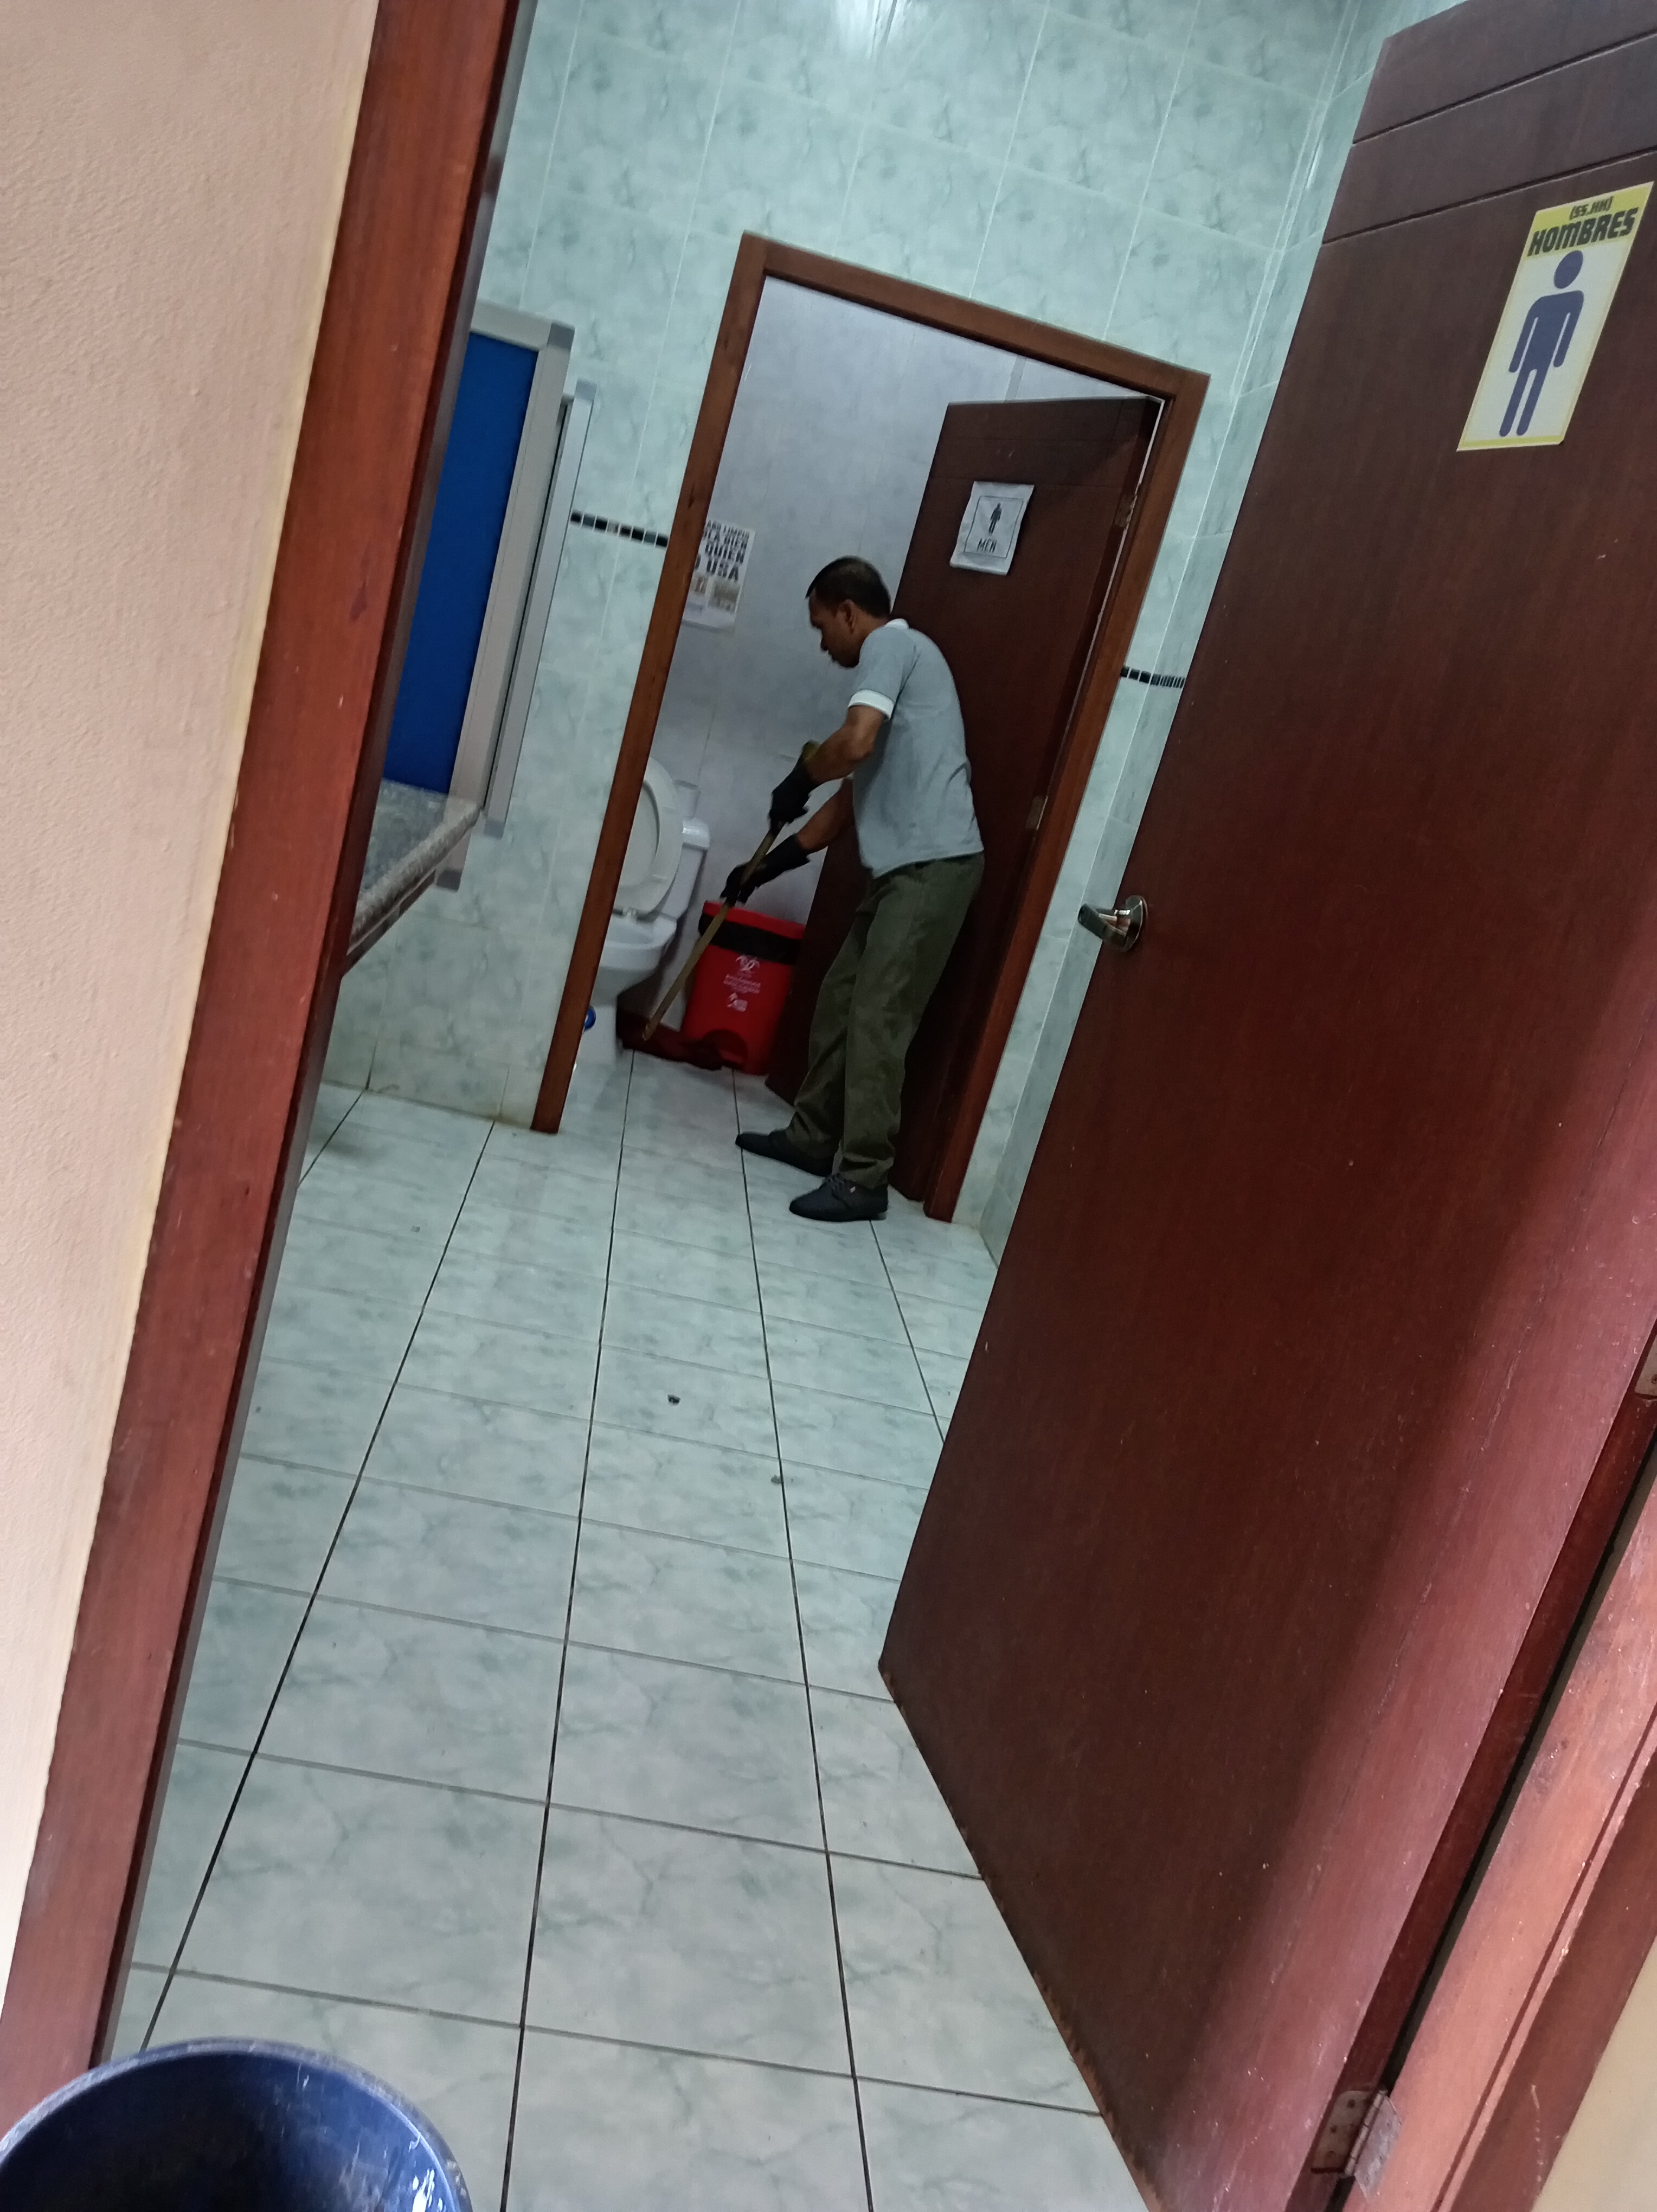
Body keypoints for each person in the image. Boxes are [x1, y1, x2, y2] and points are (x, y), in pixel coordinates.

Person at [727, 556, 983, 1223]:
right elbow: (849, 800)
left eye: (822, 627)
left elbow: (855, 743)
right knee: (842, 998)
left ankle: (864, 1176)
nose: (823, 644)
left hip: (932, 866)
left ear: (847, 611)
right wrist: (768, 866)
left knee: (877, 1015)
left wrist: (800, 775)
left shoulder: (889, 646)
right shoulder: (900, 664)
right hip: (902, 868)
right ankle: (812, 1138)